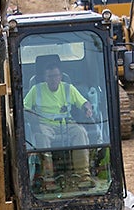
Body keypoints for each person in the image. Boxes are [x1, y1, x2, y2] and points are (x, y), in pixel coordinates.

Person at [22, 55, 94, 189]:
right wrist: (32, 118)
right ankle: (48, 177)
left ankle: (84, 175)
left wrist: (87, 108)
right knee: (41, 137)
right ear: (45, 77)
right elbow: (24, 107)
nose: (53, 79)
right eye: (50, 77)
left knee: (80, 132)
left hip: (67, 123)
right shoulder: (36, 90)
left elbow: (84, 102)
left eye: (56, 76)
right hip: (45, 125)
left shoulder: (68, 88)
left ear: (61, 76)